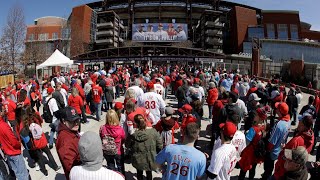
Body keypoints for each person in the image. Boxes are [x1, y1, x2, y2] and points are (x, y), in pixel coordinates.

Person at [273, 115, 314, 179]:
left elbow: (285, 159)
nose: (298, 123)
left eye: (300, 122)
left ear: (302, 125)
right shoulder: (311, 136)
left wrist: (283, 149)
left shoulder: (296, 141)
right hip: (297, 170)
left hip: (283, 173)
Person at [126, 114, 163, 180]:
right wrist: (155, 152)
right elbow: (160, 145)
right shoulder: (153, 132)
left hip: (138, 158)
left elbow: (127, 145)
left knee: (139, 173)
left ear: (135, 123)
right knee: (149, 173)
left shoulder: (133, 135)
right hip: (150, 157)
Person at [262, 102, 291, 180]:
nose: (276, 109)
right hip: (279, 149)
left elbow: (272, 142)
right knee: (270, 167)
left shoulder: (279, 125)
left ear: (280, 111)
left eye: (277, 108)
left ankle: (266, 176)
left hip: (272, 151)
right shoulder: (288, 121)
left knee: (268, 167)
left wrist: (267, 150)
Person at [238, 106, 268, 180]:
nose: (254, 116)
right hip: (256, 152)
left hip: (249, 152)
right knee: (253, 168)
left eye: (256, 115)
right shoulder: (264, 127)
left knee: (244, 168)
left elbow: (246, 143)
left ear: (260, 118)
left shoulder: (253, 129)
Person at [0, 105, 29, 180]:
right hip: (14, 152)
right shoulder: (4, 126)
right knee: (23, 175)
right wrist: (19, 145)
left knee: (18, 174)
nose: (5, 111)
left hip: (8, 152)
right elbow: (13, 141)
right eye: (3, 110)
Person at [56, 107, 82, 180]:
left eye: (77, 119)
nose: (76, 123)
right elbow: (70, 166)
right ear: (64, 121)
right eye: (72, 121)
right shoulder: (65, 141)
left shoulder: (70, 130)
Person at [99, 109, 126, 175]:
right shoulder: (120, 129)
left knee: (111, 167)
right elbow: (123, 139)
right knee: (120, 167)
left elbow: (101, 138)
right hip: (118, 151)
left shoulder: (102, 128)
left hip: (107, 151)